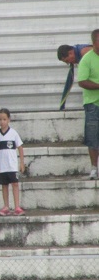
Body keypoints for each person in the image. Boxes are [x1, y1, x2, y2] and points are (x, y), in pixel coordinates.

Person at [0, 108, 25, 216]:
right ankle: (6, 206)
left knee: (15, 184)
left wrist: (21, 163)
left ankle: (17, 207)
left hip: (12, 165)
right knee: (4, 185)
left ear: (9, 120)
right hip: (2, 166)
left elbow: (20, 147)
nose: (2, 122)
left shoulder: (13, 133)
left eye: (4, 119)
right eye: (0, 119)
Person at [77, 29, 99, 180]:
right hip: (93, 105)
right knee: (93, 138)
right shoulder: (86, 59)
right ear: (94, 42)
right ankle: (94, 168)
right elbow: (82, 81)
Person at [58, 44, 93, 110]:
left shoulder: (85, 52)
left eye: (67, 61)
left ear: (70, 53)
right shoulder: (77, 53)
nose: (68, 63)